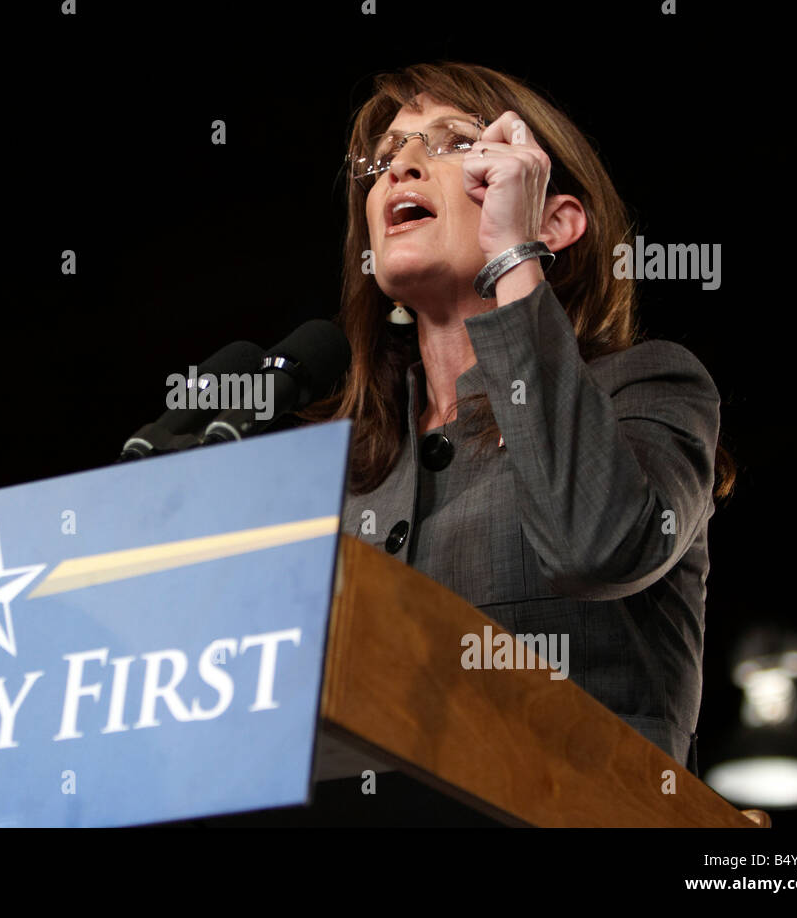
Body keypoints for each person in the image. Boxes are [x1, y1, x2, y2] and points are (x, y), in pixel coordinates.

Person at [304, 62, 736, 774]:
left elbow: (596, 548)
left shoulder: (649, 385)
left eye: (453, 142)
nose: (400, 166)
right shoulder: (340, 466)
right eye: (383, 158)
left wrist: (511, 254)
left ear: (554, 221)